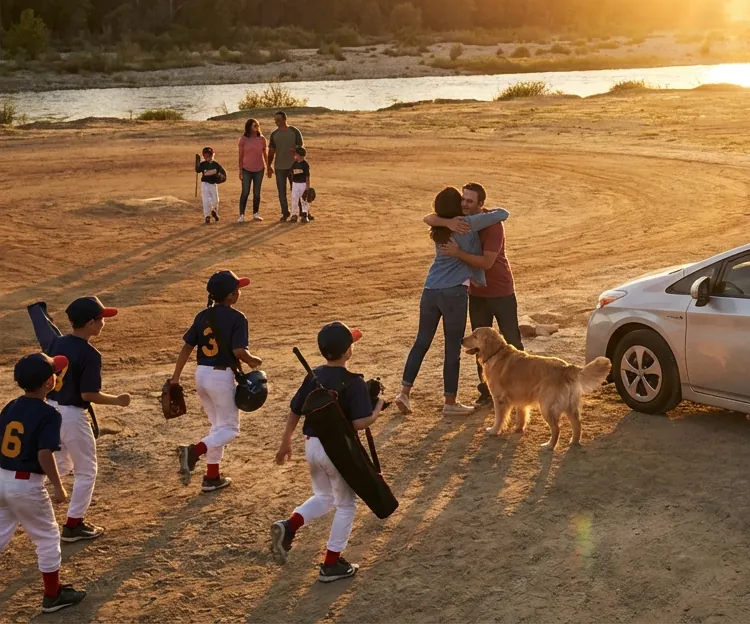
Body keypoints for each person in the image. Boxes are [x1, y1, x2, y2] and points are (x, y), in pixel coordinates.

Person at [270, 322, 384, 583]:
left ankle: (289, 526)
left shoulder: (314, 376)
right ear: (349, 351)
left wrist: (286, 442)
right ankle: (331, 564)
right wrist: (377, 408)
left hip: (312, 444)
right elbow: (359, 423)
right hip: (337, 449)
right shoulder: (354, 381)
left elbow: (295, 410)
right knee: (346, 504)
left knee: (325, 496)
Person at [395, 188, 509, 415]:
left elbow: (428, 218)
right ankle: (450, 402)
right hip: (453, 292)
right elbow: (503, 214)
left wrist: (443, 220)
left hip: (430, 289)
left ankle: (404, 393)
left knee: (421, 342)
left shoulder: (438, 227)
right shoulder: (466, 224)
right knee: (452, 348)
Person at [1, 353, 87, 614]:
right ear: (50, 382)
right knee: (47, 538)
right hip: (26, 486)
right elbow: (44, 454)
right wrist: (59, 487)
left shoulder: (11, 405)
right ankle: (53, 594)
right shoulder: (49, 413)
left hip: (2, 478)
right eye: (54, 373)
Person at [426, 183, 522, 406]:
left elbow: (487, 263)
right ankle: (487, 390)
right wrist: (447, 222)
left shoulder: (492, 224)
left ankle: (518, 387)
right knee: (479, 345)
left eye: (469, 201)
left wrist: (457, 253)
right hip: (477, 293)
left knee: (512, 340)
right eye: (463, 199)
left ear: (481, 204)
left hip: (500, 291)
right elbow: (429, 218)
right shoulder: (460, 221)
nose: (464, 204)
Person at [46, 296, 128, 543]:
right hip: (72, 416)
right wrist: (118, 400)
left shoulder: (56, 343)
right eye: (101, 319)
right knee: (86, 471)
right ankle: (74, 525)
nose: (103, 323)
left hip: (50, 409)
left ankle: (18, 500)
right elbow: (88, 395)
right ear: (91, 323)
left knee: (60, 464)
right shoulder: (91, 354)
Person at [171, 271, 261, 492]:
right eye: (237, 289)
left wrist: (175, 378)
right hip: (220, 377)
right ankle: (193, 452)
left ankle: (212, 477)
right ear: (230, 295)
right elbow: (239, 351)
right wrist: (253, 361)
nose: (239, 292)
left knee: (218, 427)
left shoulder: (203, 316)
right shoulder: (238, 318)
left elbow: (187, 347)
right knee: (230, 429)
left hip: (201, 374)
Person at [266, 111, 304, 222]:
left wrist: (299, 159)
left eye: (278, 119)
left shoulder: (294, 131)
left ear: (284, 119)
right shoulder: (274, 134)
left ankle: (300, 212)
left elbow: (301, 148)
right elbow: (271, 151)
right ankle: (285, 212)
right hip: (279, 167)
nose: (276, 121)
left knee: (296, 190)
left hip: (294, 166)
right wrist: (269, 165)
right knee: (281, 191)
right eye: (275, 119)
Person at [237, 118, 268, 223]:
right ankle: (241, 215)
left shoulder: (262, 139)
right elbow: (240, 156)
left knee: (257, 193)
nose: (256, 127)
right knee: (245, 192)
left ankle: (256, 214)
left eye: (257, 125)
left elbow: (265, 154)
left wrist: (268, 166)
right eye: (254, 125)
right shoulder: (243, 139)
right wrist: (240, 170)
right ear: (249, 127)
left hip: (259, 169)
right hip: (246, 169)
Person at [196, 147, 226, 225]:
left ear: (212, 155)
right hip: (205, 184)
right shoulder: (203, 164)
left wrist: (220, 177)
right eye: (205, 155)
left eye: (209, 155)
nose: (207, 157)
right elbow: (198, 170)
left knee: (215, 200)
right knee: (206, 201)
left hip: (213, 184)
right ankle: (207, 216)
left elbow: (222, 173)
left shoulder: (216, 164)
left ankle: (214, 211)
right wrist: (197, 162)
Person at [288, 146, 313, 223]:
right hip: (295, 184)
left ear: (300, 155)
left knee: (304, 200)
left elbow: (307, 176)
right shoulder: (295, 163)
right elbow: (292, 173)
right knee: (294, 199)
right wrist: (292, 185)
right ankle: (294, 215)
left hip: (303, 184)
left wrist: (308, 187)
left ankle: (305, 215)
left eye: (296, 154)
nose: (295, 155)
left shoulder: (305, 164)